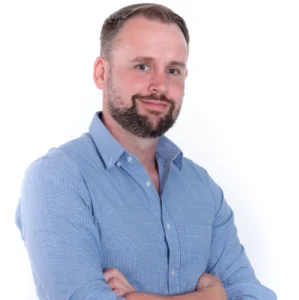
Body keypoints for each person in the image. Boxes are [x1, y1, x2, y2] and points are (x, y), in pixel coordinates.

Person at [15, 3, 277, 300]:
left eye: (173, 70)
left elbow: (254, 295)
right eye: (142, 66)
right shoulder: (56, 178)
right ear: (102, 72)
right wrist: (212, 296)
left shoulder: (203, 188)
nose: (161, 85)